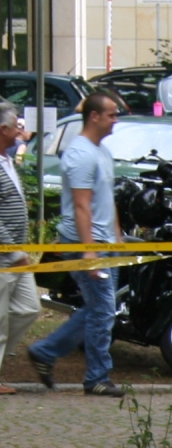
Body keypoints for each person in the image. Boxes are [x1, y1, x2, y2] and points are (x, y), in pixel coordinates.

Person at [26, 93, 123, 396]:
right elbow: (81, 206)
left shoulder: (101, 151)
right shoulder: (80, 155)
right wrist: (89, 250)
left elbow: (106, 200)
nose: (115, 120)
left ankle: (45, 351)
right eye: (111, 114)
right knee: (103, 309)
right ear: (94, 116)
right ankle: (96, 377)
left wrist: (117, 239)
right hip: (85, 241)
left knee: (100, 308)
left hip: (105, 242)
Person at [0, 102, 39, 393]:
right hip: (6, 255)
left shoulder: (8, 159)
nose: (20, 131)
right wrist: (12, 251)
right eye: (17, 126)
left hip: (18, 253)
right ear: (3, 129)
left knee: (28, 308)